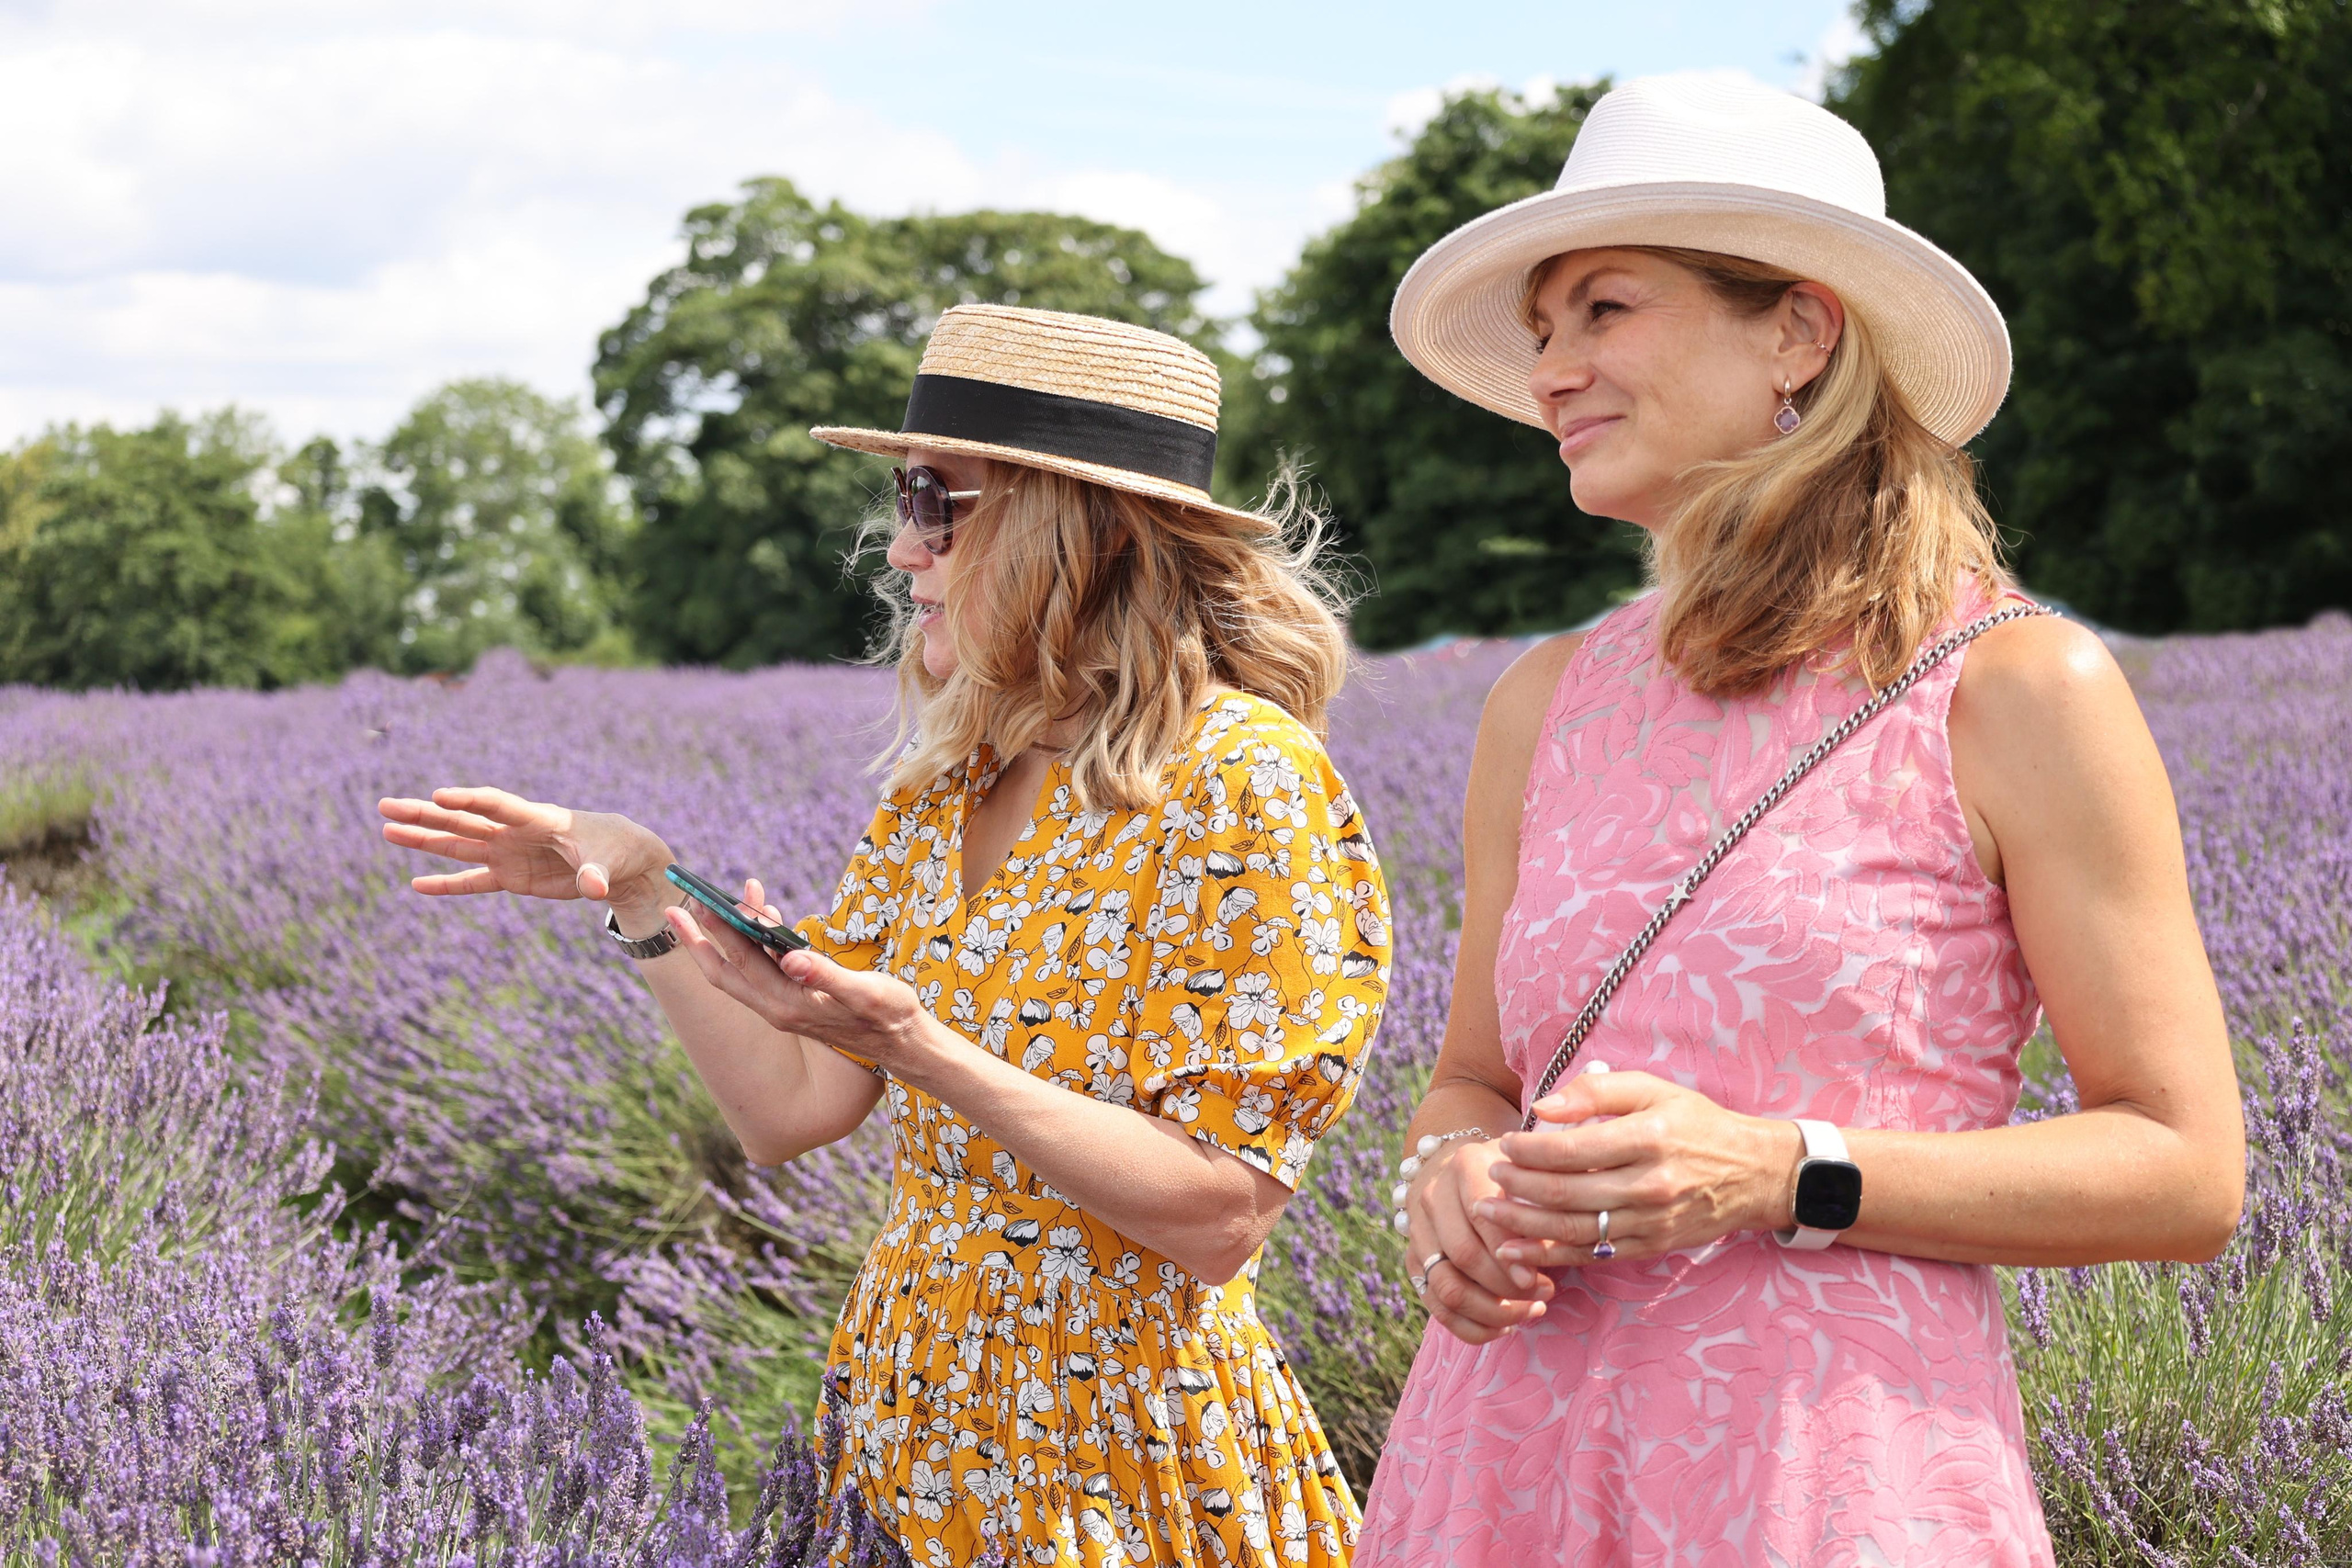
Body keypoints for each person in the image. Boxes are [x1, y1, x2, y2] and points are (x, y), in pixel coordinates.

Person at [1354, 73, 2244, 1565]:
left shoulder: (2016, 686)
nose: (1553, 371)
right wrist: (1448, 1176)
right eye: (1542, 333)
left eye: (1604, 310)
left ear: (1802, 329)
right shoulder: (1544, 703)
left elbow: (2186, 1168)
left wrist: (1783, 1173)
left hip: (1830, 1488)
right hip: (1502, 1463)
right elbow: (1473, 1082)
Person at [379, 304, 1390, 1566]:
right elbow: (790, 1113)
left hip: (1121, 1445)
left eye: (935, 501)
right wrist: (643, 895)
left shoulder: (1249, 785)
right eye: (903, 501)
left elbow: (1217, 1213)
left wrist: (926, 1052)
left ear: (1071, 527)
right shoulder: (944, 789)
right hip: (914, 1414)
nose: (903, 549)